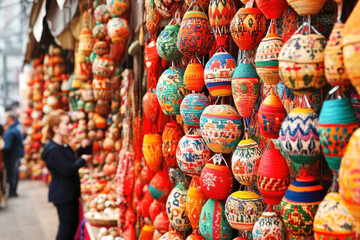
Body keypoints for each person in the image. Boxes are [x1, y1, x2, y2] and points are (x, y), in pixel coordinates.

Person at [41, 109, 92, 240]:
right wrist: (83, 160)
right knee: (66, 229)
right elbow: (67, 169)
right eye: (67, 124)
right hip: (63, 195)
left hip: (68, 193)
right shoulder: (53, 150)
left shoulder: (62, 145)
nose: (71, 126)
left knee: (71, 227)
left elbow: (70, 160)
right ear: (56, 128)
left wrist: (82, 151)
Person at [3, 111, 23, 198]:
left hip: (12, 156)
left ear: (10, 119)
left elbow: (7, 146)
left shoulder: (11, 131)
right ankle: (13, 191)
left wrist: (3, 152)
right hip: (15, 155)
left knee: (12, 174)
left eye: (5, 118)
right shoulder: (15, 129)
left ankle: (12, 192)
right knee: (14, 173)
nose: (4, 120)